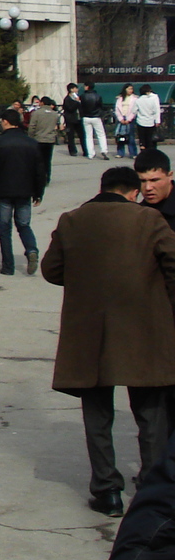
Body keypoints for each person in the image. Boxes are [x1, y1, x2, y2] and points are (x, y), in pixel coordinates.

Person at [42, 165, 175, 517]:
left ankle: (107, 491)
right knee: (151, 413)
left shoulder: (72, 220)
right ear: (132, 192)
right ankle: (152, 488)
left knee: (98, 414)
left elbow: (51, 270)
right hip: (144, 328)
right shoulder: (149, 221)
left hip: (90, 332)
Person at [0, 110, 44, 276]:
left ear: (6, 122)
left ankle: (8, 266)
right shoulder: (31, 143)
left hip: (4, 191)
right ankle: (31, 249)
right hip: (25, 191)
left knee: (4, 228)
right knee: (23, 225)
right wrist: (39, 193)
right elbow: (40, 170)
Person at [27, 96, 62, 200]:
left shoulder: (36, 113)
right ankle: (47, 178)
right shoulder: (55, 114)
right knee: (47, 160)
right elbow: (57, 126)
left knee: (37, 161)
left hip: (38, 140)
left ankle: (38, 179)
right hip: (49, 140)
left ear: (42, 103)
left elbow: (32, 126)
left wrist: (30, 137)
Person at [137, 149, 175, 233]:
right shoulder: (136, 213)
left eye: (154, 180)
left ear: (170, 176)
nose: (148, 187)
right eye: (142, 181)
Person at [80, 80, 111, 159]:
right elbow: (101, 106)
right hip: (96, 117)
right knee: (101, 134)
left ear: (87, 87)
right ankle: (104, 150)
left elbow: (80, 107)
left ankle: (91, 153)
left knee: (88, 136)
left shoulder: (82, 96)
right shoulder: (98, 96)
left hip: (86, 117)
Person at [137, 85, 163, 153]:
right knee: (150, 139)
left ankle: (143, 152)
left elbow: (134, 110)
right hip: (151, 121)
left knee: (142, 139)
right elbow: (157, 109)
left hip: (141, 121)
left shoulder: (138, 100)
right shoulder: (154, 97)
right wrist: (157, 120)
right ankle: (151, 153)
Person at [116, 86, 139, 159]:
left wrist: (129, 119)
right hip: (122, 118)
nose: (130, 90)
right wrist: (121, 119)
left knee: (130, 137)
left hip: (130, 119)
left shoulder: (135, 98)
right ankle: (120, 152)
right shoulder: (120, 98)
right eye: (129, 89)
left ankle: (133, 153)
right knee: (121, 136)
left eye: (131, 89)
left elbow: (134, 110)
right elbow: (117, 109)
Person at [62, 83, 84, 157]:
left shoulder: (77, 97)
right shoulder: (67, 99)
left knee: (82, 135)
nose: (77, 90)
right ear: (71, 90)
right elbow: (70, 108)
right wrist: (76, 102)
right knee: (70, 136)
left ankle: (85, 150)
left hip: (78, 119)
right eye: (75, 88)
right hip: (70, 119)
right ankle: (72, 151)